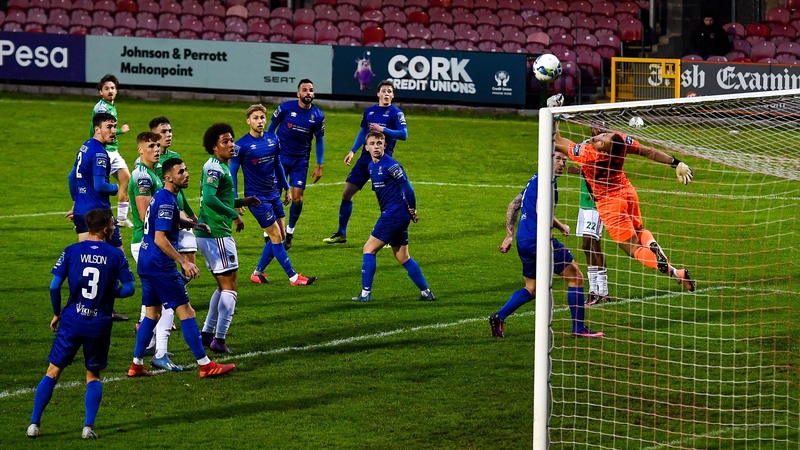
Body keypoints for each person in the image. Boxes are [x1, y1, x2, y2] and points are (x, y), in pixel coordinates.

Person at [27, 208, 135, 439]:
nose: (115, 227)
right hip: (98, 324)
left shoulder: (71, 251)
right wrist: (109, 292)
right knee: (93, 375)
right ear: (105, 229)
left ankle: (34, 424)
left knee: (53, 372)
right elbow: (130, 289)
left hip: (71, 321)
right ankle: (88, 427)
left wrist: (57, 313)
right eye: (113, 224)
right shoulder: (116, 255)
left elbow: (54, 287)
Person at [554, 123, 696, 291]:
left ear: (604, 151)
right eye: (602, 136)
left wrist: (554, 115)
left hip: (609, 204)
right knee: (640, 231)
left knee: (633, 249)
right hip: (627, 193)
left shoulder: (587, 153)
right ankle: (674, 270)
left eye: (602, 140)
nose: (599, 137)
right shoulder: (620, 140)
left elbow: (557, 139)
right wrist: (675, 163)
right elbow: (647, 151)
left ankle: (654, 257)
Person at [128, 158, 236, 378]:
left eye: (186, 170)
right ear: (169, 178)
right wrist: (184, 261)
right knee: (186, 312)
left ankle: (136, 364)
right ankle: (205, 365)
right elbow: (160, 238)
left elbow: (167, 221)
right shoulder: (168, 201)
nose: (186, 174)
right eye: (181, 172)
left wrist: (192, 224)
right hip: (160, 265)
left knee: (152, 314)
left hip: (147, 263)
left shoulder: (161, 197)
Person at [489, 153, 603, 339]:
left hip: (523, 240)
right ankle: (579, 329)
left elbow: (513, 205)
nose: (562, 164)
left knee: (531, 287)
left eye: (564, 160)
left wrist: (509, 235)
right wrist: (558, 227)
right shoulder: (548, 182)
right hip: (539, 240)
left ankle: (499, 316)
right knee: (576, 277)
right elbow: (542, 211)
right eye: (557, 159)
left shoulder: (533, 180)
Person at [232, 105, 317, 286]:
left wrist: (286, 188)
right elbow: (232, 174)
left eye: (262, 117)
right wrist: (236, 201)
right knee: (276, 236)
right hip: (257, 198)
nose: (260, 121)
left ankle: (257, 273)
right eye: (255, 118)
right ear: (248, 120)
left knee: (281, 235)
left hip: (273, 194)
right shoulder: (241, 146)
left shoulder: (273, 139)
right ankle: (293, 277)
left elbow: (278, 165)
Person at [196, 124, 261, 354]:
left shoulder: (215, 166)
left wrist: (243, 201)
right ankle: (219, 339)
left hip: (209, 233)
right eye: (225, 141)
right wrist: (235, 216)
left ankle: (206, 333)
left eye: (232, 140)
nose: (231, 144)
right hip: (217, 234)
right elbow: (211, 200)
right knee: (231, 287)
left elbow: (220, 198)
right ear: (214, 147)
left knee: (222, 286)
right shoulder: (215, 168)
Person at [351, 131, 434, 303]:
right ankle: (426, 292)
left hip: (394, 214)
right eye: (372, 143)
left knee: (369, 248)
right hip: (395, 213)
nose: (376, 146)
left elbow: (409, 189)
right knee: (402, 256)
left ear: (385, 146)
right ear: (366, 147)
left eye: (379, 143)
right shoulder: (371, 166)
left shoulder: (392, 166)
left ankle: (365, 294)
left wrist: (412, 208)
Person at [325, 80, 407, 245]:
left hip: (383, 162)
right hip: (364, 159)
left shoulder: (396, 113)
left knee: (386, 200)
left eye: (389, 92)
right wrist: (352, 151)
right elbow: (363, 131)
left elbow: (403, 134)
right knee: (347, 193)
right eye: (383, 91)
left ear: (393, 95)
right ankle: (341, 233)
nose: (386, 94)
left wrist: (383, 129)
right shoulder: (369, 112)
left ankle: (390, 236)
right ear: (378, 94)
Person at [128, 131, 182, 371]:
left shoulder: (154, 172)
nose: (157, 149)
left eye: (157, 145)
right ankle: (159, 351)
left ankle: (145, 353)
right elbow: (144, 215)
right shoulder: (142, 176)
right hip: (147, 243)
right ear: (140, 150)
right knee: (173, 301)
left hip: (151, 242)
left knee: (154, 306)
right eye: (151, 146)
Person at [69, 112, 129, 322]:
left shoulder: (84, 147)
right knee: (117, 258)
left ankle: (85, 307)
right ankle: (106, 307)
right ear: (97, 129)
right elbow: (101, 185)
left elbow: (71, 177)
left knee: (87, 262)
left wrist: (76, 202)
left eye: (115, 126)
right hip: (100, 214)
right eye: (109, 127)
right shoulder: (100, 153)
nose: (113, 131)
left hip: (81, 213)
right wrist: (120, 187)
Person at [267, 79, 325, 250]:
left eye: (311, 90)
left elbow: (320, 140)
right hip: (280, 158)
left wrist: (320, 165)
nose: (308, 93)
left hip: (300, 161)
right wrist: (267, 149)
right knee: (274, 194)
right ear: (298, 93)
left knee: (298, 198)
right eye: (305, 90)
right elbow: (270, 129)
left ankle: (290, 232)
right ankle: (270, 231)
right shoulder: (285, 108)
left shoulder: (318, 116)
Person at [569, 121, 611, 306]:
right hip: (584, 202)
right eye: (596, 126)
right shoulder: (585, 145)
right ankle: (598, 291)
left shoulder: (609, 148)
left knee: (591, 242)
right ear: (591, 128)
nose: (599, 129)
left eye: (603, 126)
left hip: (598, 201)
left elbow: (602, 171)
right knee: (588, 245)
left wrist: (578, 170)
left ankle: (600, 290)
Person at [91, 74, 133, 227]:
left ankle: (121, 218)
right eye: (106, 88)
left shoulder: (110, 106)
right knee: (97, 187)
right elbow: (104, 127)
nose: (110, 91)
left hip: (113, 150)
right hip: (104, 151)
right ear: (100, 92)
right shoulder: (102, 107)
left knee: (126, 180)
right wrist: (121, 131)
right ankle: (84, 217)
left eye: (113, 88)